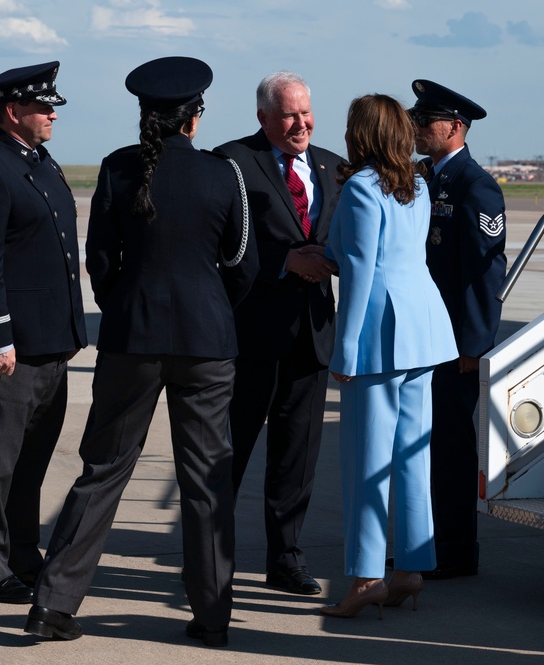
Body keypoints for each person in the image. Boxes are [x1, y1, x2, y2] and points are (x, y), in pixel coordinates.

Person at [24, 56, 257, 647]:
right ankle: (212, 617)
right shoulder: (222, 173)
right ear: (194, 118)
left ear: (144, 115)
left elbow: (100, 262)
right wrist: (210, 308)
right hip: (207, 341)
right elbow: (241, 264)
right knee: (206, 480)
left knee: (103, 471)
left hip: (132, 336)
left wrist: (129, 304)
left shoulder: (117, 169)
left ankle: (53, 605)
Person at [0, 62, 87, 604]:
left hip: (49, 343)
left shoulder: (40, 163)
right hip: (7, 349)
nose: (52, 112)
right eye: (42, 105)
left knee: (31, 462)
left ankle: (22, 554)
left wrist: (71, 329)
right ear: (13, 112)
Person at [320, 94, 457, 619]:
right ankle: (411, 569)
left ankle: (365, 578)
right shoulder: (417, 184)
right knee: (412, 458)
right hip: (423, 329)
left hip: (379, 335)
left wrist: (345, 348)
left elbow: (359, 272)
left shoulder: (360, 188)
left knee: (365, 462)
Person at [215, 72, 343, 596]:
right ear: (264, 117)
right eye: (289, 115)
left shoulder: (335, 167)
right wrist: (284, 261)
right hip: (252, 335)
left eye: (306, 112)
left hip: (311, 334)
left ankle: (285, 557)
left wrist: (329, 261)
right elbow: (219, 245)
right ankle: (211, 555)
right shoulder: (230, 163)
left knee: (298, 454)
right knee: (230, 452)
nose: (301, 124)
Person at [405, 79, 507, 580]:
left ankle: (457, 550)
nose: (416, 129)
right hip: (427, 335)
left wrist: (475, 345)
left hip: (453, 343)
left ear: (454, 127)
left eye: (425, 122)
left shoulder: (475, 185)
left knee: (450, 449)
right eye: (415, 121)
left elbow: (486, 271)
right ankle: (428, 545)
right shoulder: (426, 179)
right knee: (425, 446)